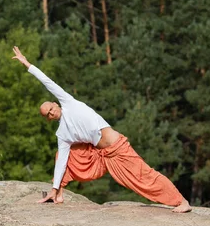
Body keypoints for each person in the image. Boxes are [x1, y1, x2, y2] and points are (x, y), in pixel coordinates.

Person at [12, 46, 192, 213]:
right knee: (62, 156)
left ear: (55, 104)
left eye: (51, 108)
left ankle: (181, 201)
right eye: (48, 114)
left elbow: (47, 81)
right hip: (100, 156)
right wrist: (53, 187)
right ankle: (57, 193)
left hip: (118, 149)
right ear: (48, 119)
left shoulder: (68, 102)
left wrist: (27, 64)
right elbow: (62, 163)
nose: (52, 113)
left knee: (143, 177)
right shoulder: (62, 134)